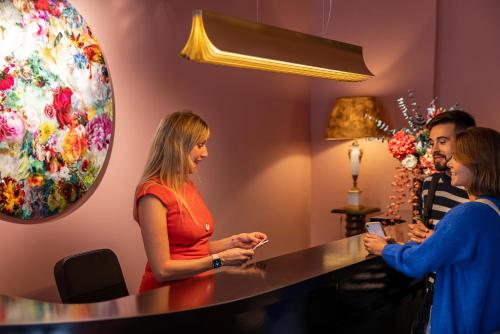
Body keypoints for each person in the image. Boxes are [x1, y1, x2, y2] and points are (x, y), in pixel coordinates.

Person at [364, 127, 500, 334]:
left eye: (456, 158)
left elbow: (418, 263)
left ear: (477, 162)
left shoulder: (466, 214)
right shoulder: (493, 210)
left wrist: (384, 248)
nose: (450, 163)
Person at [134, 111, 267, 293]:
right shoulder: (152, 195)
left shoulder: (186, 186)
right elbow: (162, 270)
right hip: (165, 299)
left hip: (198, 291)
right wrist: (221, 260)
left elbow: (194, 249)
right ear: (178, 147)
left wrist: (235, 241)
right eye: (200, 145)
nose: (205, 153)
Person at [409, 109, 475, 243]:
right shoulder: (430, 183)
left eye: (442, 141)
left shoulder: (483, 188)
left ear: (465, 143)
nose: (434, 150)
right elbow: (427, 237)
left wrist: (436, 240)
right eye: (432, 143)